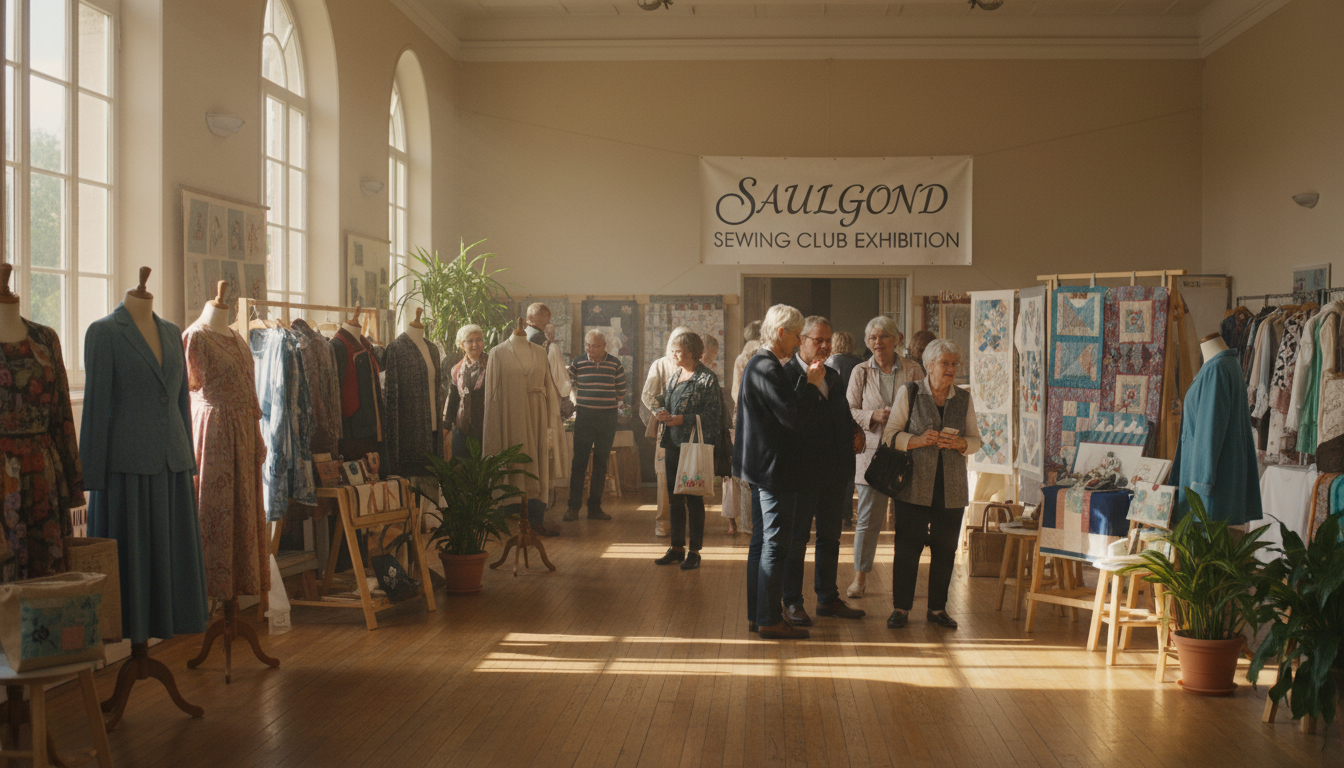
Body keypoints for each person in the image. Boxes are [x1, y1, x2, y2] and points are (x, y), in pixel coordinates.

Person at [735, 304, 826, 640]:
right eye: (797, 334)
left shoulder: (761, 364)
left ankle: (759, 614)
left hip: (762, 465)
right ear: (781, 333)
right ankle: (770, 619)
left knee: (762, 543)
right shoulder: (768, 366)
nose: (800, 340)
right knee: (774, 544)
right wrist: (812, 383)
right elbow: (793, 417)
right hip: (773, 468)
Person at [880, 338, 982, 630]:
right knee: (907, 547)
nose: (951, 369)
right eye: (945, 364)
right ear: (929, 366)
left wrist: (962, 443)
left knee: (945, 548)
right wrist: (916, 440)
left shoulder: (963, 398)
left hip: (951, 486)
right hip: (913, 484)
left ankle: (937, 608)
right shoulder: (910, 392)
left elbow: (975, 440)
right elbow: (889, 435)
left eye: (954, 364)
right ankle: (901, 608)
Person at [780, 316, 866, 625]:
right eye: (818, 340)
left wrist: (856, 431)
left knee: (830, 538)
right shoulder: (787, 375)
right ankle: (791, 601)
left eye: (828, 340)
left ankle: (827, 597)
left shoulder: (834, 375)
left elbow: (840, 415)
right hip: (802, 474)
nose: (825, 345)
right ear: (801, 341)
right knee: (797, 539)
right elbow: (790, 422)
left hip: (835, 470)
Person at [846, 316, 924, 598]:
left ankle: (904, 583)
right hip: (872, 456)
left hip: (906, 452)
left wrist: (905, 419)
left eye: (883, 337)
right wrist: (872, 415)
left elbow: (924, 407)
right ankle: (860, 578)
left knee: (908, 522)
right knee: (867, 521)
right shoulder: (860, 372)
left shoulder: (913, 369)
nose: (877, 343)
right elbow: (849, 409)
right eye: (873, 338)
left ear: (896, 339)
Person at [652, 330, 722, 570]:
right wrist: (661, 411)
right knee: (674, 499)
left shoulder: (707, 379)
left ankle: (694, 552)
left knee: (693, 499)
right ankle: (677, 547)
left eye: (678, 351)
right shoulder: (676, 375)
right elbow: (668, 401)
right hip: (672, 443)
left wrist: (684, 419)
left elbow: (714, 416)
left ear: (691, 353)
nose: (673, 354)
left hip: (693, 447)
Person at [565, 329, 626, 522]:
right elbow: (566, 383)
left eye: (595, 346)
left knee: (601, 462)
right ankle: (573, 508)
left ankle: (594, 508)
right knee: (579, 462)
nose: (590, 349)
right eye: (588, 345)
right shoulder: (578, 362)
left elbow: (621, 390)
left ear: (604, 346)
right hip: (584, 415)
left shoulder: (615, 364)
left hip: (607, 417)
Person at [642, 326, 691, 537]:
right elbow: (647, 394)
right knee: (664, 478)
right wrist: (659, 411)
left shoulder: (696, 366)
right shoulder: (660, 364)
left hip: (689, 428)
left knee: (689, 474)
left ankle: (685, 522)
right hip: (666, 429)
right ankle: (663, 522)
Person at [726, 321, 762, 535]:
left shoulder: (742, 358)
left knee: (744, 473)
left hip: (743, 416)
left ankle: (747, 524)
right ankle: (763, 521)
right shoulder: (774, 355)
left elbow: (735, 391)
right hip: (767, 417)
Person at [445, 324, 488, 459]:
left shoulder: (493, 364)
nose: (475, 344)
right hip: (462, 430)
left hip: (486, 429)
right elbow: (452, 401)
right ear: (462, 345)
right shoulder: (456, 370)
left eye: (479, 339)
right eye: (470, 341)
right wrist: (445, 428)